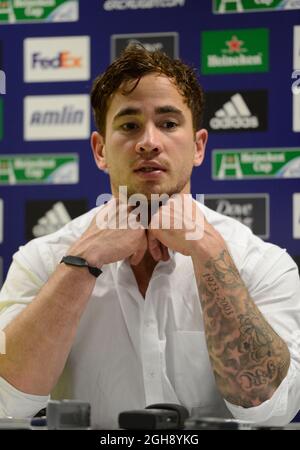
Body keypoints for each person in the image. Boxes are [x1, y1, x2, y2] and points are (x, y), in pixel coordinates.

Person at [0, 45, 300, 429]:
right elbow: (9, 401)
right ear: (100, 150)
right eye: (128, 125)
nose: (149, 141)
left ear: (198, 146)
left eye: (169, 123)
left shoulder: (259, 262)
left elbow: (271, 409)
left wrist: (208, 253)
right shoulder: (44, 260)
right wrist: (82, 263)